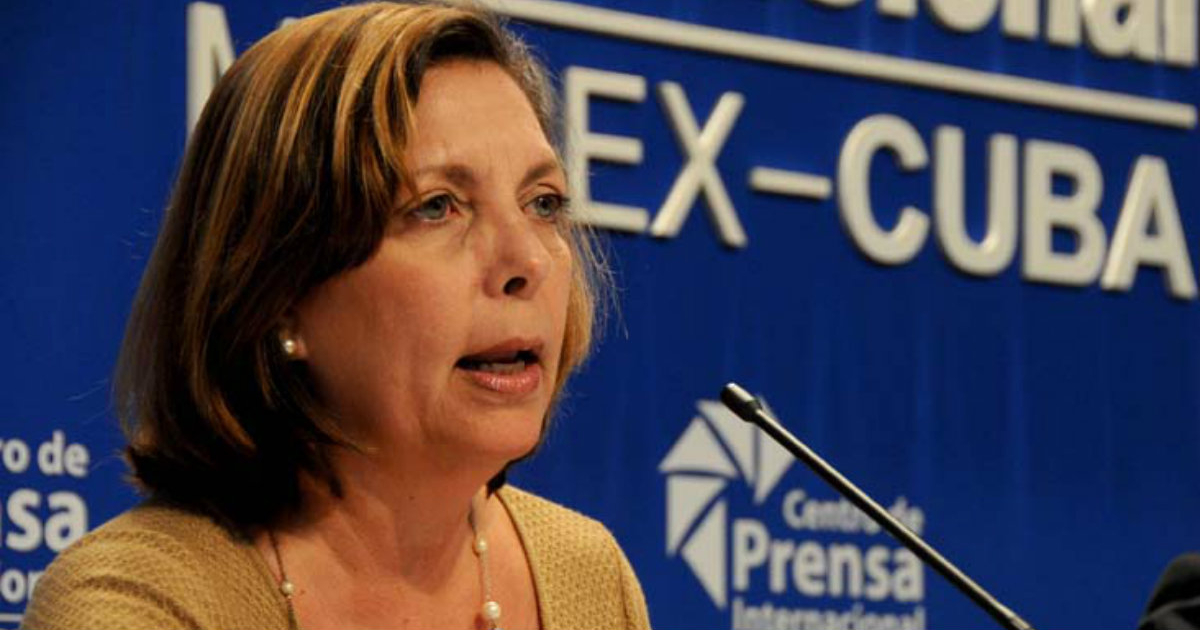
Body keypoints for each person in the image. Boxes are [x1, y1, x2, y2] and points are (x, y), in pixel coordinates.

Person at [21, 2, 649, 629]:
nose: (527, 261)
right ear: (279, 294)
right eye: (436, 206)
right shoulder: (135, 606)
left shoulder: (588, 575)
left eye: (543, 203)